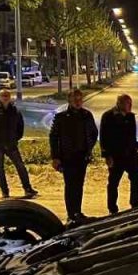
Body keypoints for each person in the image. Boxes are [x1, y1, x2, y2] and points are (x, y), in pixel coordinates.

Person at [49, 88, 98, 223]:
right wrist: (55, 157)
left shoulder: (87, 115)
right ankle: (71, 215)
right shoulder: (61, 117)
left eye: (80, 99)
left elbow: (94, 133)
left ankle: (78, 212)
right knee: (70, 186)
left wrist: (88, 149)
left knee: (79, 185)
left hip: (82, 157)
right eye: (75, 99)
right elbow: (53, 137)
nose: (78, 102)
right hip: (67, 157)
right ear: (69, 100)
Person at [0, 88, 37, 199]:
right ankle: (5, 192)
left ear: (10, 97)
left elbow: (20, 125)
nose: (5, 98)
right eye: (3, 96)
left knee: (20, 166)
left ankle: (28, 189)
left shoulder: (14, 110)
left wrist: (17, 137)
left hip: (11, 143)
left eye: (7, 95)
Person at [100, 93, 138, 214]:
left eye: (130, 103)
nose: (130, 106)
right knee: (113, 183)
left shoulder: (130, 117)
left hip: (130, 156)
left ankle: (135, 203)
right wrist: (107, 156)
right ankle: (112, 208)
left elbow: (132, 136)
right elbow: (103, 138)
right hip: (115, 156)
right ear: (119, 104)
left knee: (137, 179)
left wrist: (135, 151)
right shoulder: (108, 116)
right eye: (127, 103)